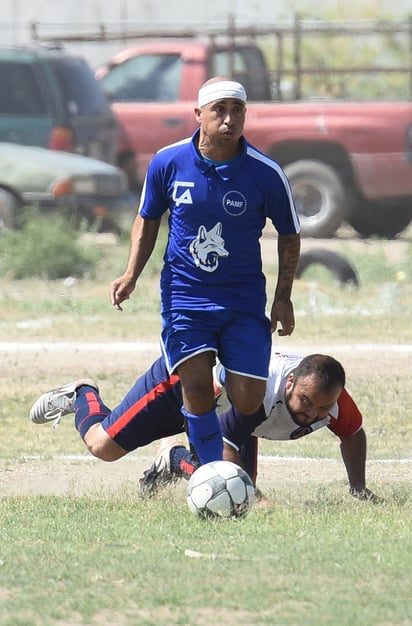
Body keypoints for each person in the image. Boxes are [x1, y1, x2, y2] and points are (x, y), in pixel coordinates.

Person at [109, 76, 301, 466]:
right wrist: (131, 273)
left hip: (244, 300)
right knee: (195, 388)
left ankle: (190, 420)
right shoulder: (168, 161)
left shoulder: (266, 173)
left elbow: (289, 235)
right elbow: (147, 219)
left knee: (247, 399)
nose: (229, 120)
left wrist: (283, 298)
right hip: (185, 296)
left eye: (237, 111)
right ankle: (210, 471)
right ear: (199, 114)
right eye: (220, 110)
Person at [29, 351, 379, 502]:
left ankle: (173, 458)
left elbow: (352, 435)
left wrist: (358, 489)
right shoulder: (255, 386)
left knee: (238, 493)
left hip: (223, 412)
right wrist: (257, 499)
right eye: (307, 401)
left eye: (323, 407)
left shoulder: (332, 401)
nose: (314, 413)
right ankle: (82, 393)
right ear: (289, 383)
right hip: (179, 384)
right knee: (102, 446)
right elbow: (224, 437)